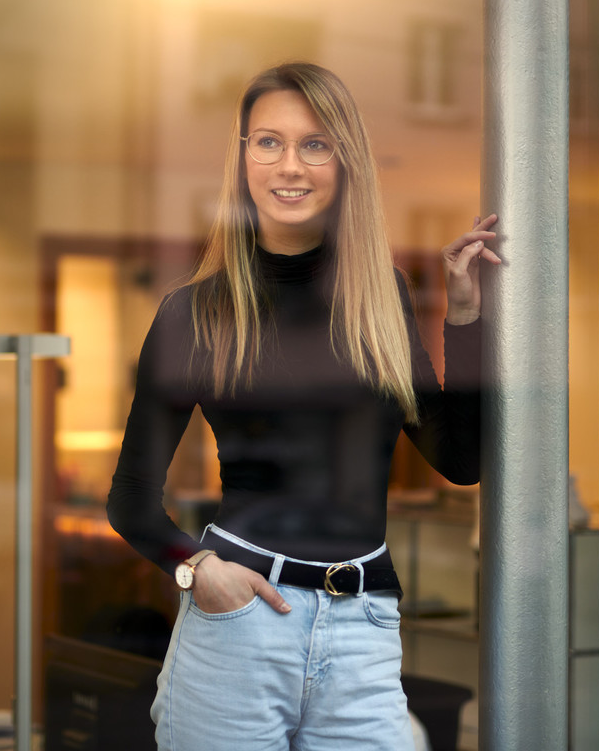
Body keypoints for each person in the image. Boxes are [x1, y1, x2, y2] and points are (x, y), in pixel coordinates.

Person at [106, 61, 500, 751]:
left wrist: (465, 318)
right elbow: (132, 499)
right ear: (243, 159)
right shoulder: (195, 313)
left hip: (366, 630)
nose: (290, 165)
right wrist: (197, 569)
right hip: (238, 623)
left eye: (314, 144)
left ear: (345, 163)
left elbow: (461, 462)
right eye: (269, 142)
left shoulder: (382, 300)